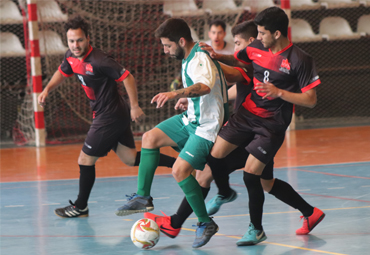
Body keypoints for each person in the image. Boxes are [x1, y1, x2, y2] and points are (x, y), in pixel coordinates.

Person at [202, 7, 325, 246]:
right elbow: (239, 58)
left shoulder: (299, 59)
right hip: (246, 115)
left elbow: (311, 100)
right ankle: (309, 212)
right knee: (214, 156)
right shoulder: (257, 47)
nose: (257, 37)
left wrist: (279, 92)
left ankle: (256, 229)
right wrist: (218, 56)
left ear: (277, 33)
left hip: (271, 126)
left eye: (262, 33)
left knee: (252, 176)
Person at [38, 15, 176, 218]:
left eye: (79, 40)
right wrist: (47, 89)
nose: (76, 45)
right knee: (129, 159)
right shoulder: (71, 56)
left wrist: (135, 106)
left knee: (85, 160)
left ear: (88, 38)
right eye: (71, 41)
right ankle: (180, 163)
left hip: (109, 115)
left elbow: (127, 77)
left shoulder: (100, 60)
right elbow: (62, 71)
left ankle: (80, 206)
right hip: (111, 114)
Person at [115, 18, 229, 248]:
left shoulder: (199, 57)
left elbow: (205, 86)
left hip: (206, 127)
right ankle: (142, 197)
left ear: (181, 40)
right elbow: (205, 90)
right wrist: (187, 100)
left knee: (180, 171)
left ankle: (205, 223)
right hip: (191, 119)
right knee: (149, 138)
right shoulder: (188, 57)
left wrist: (176, 93)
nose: (165, 50)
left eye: (167, 46)